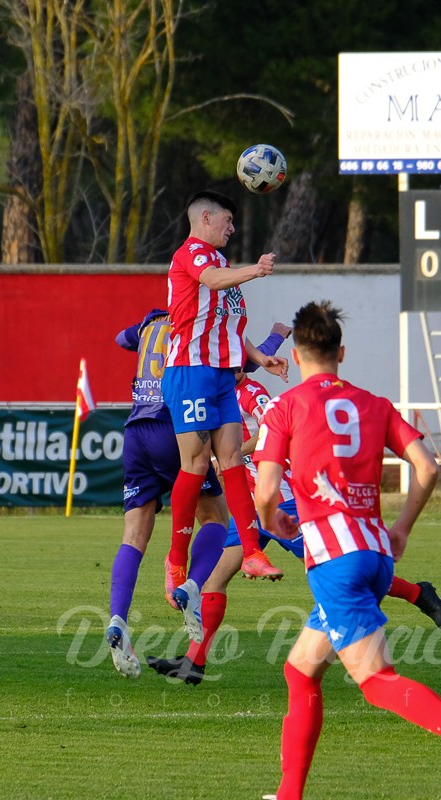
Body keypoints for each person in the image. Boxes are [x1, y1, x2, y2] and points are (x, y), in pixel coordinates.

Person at [253, 301, 441, 800]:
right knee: (301, 667)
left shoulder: (285, 408)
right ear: (340, 352)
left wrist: (271, 520)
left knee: (375, 681)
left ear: (299, 356)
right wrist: (403, 527)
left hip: (333, 561)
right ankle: (288, 796)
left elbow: (265, 492)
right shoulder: (375, 404)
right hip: (374, 553)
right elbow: (428, 468)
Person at [147, 353, 441, 685]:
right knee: (214, 581)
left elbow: (269, 428)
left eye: (234, 365)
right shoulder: (217, 395)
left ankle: (417, 594)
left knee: (339, 568)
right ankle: (195, 661)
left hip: (283, 504)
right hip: (250, 509)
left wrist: (233, 455)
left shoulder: (251, 392)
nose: (229, 370)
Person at [104, 309, 290, 679]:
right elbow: (238, 361)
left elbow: (120, 340)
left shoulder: (151, 321)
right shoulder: (202, 323)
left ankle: (117, 620)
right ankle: (190, 583)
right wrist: (276, 337)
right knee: (216, 518)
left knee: (134, 534)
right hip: (176, 426)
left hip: (136, 429)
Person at [161, 190, 289, 617]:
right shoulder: (192, 255)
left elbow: (229, 325)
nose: (232, 229)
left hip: (219, 374)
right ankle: (177, 559)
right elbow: (213, 283)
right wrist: (255, 270)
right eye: (228, 221)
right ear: (207, 218)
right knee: (196, 467)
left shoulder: (220, 266)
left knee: (233, 458)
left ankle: (251, 551)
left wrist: (259, 358)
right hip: (190, 371)